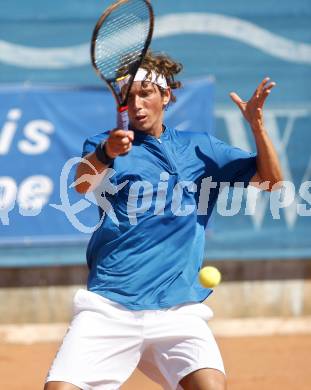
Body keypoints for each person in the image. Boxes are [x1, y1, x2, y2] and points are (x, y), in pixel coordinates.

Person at [44, 51, 283, 390]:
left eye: (146, 93)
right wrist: (106, 153)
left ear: (165, 96)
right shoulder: (106, 144)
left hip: (177, 310)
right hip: (110, 305)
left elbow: (272, 182)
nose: (137, 104)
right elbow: (82, 184)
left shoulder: (201, 149)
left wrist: (257, 127)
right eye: (129, 97)